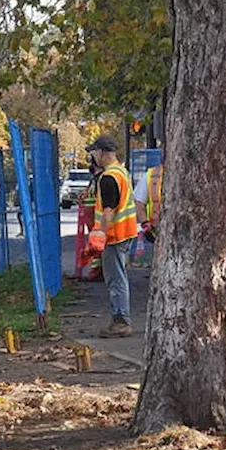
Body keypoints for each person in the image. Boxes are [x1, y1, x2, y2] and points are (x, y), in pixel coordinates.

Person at [82, 135, 138, 337]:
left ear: (100, 152)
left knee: (116, 280)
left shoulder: (108, 178)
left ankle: (121, 321)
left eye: (93, 153)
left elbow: (108, 210)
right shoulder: (121, 172)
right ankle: (121, 319)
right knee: (119, 277)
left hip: (115, 236)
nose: (92, 157)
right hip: (127, 233)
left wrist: (99, 235)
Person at [133, 161, 164, 244]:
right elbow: (138, 203)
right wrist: (145, 224)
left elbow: (139, 203)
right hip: (157, 232)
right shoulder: (151, 175)